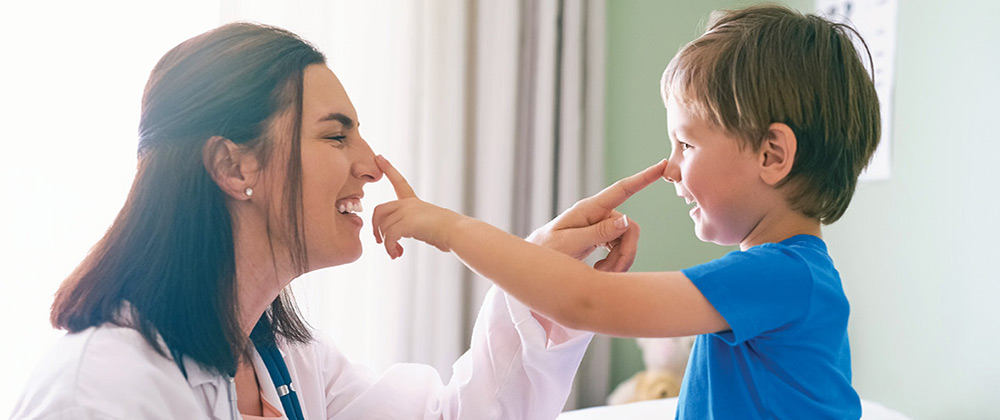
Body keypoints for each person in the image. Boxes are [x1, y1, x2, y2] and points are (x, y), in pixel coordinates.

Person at [10, 22, 643, 420]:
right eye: (336, 136)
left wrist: (541, 280)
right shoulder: (99, 389)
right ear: (233, 166)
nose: (371, 166)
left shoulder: (287, 362)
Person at [370, 5, 880, 419]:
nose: (671, 169)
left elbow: (585, 302)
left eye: (686, 144)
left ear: (772, 155)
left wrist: (452, 229)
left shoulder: (781, 276)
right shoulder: (788, 274)